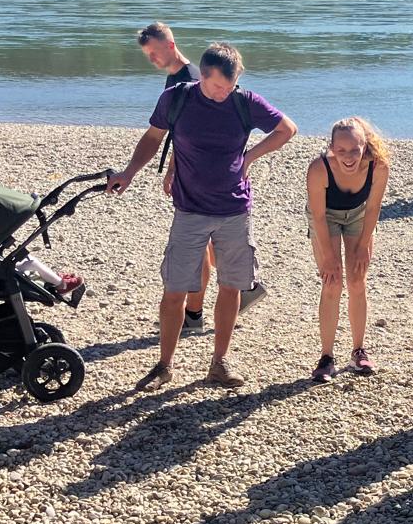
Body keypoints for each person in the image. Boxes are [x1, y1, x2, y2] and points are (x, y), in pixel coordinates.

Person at [107, 42, 296, 389]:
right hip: (190, 210)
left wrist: (249, 158)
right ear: (203, 77)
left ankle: (220, 362)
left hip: (234, 210)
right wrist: (129, 172)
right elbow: (153, 137)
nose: (225, 93)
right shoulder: (177, 98)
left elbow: (287, 129)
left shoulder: (245, 101)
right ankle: (164, 365)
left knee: (231, 287)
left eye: (231, 85)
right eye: (219, 86)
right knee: (175, 289)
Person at [136, 21, 216, 338]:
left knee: (199, 244)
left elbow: (197, 136)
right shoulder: (174, 78)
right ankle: (244, 287)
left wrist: (175, 169)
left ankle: (194, 313)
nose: (152, 59)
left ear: (171, 45)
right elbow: (179, 132)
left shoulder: (191, 79)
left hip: (202, 173)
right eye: (148, 55)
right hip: (191, 170)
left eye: (155, 52)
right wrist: (172, 168)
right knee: (209, 240)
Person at [306, 116, 390, 382]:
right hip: (326, 217)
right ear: (331, 147)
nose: (349, 156)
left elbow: (374, 207)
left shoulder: (378, 166)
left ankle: (358, 351)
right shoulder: (319, 169)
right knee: (332, 282)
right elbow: (318, 216)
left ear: (365, 145)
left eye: (355, 149)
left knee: (357, 281)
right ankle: (326, 357)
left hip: (359, 215)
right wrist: (329, 257)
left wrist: (364, 244)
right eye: (341, 150)